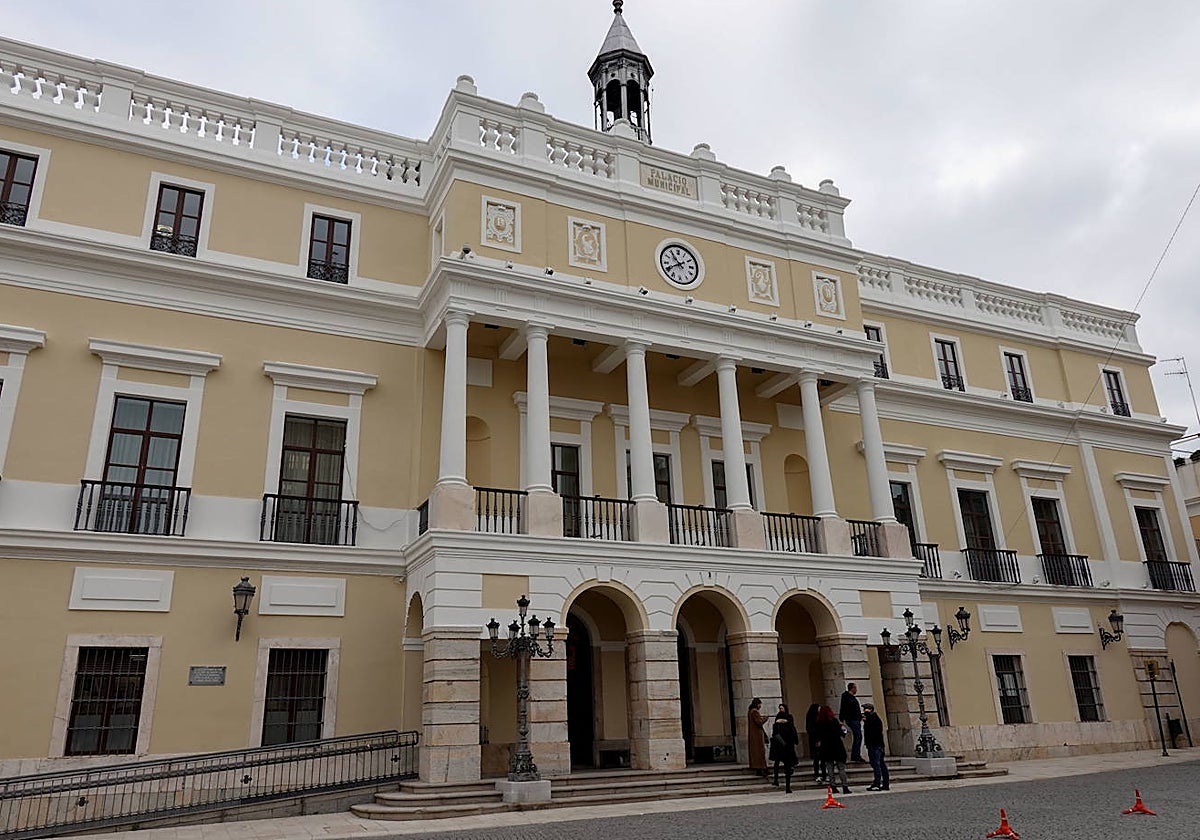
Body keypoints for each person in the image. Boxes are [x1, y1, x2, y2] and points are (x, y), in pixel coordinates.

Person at [816, 704, 851, 794]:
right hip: (837, 745)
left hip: (826, 747)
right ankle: (845, 786)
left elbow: (818, 735)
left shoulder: (820, 722)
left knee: (830, 768)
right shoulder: (834, 721)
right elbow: (841, 733)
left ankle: (833, 786)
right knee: (841, 768)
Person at [769, 709, 800, 792]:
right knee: (788, 768)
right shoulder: (789, 725)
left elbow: (774, 735)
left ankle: (776, 780)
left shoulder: (776, 725)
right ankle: (787, 787)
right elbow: (794, 735)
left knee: (777, 764)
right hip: (788, 749)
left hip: (778, 748)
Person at [862, 702, 890, 791]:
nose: (864, 712)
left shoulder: (873, 718)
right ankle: (884, 783)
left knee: (876, 764)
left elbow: (871, 729)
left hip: (874, 745)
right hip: (877, 745)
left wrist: (866, 716)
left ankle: (877, 783)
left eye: (865, 710)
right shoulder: (874, 719)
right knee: (880, 764)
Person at [839, 682, 865, 763]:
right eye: (855, 688)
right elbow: (843, 708)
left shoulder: (851, 698)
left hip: (855, 719)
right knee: (858, 736)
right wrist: (841, 719)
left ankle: (856, 754)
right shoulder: (847, 697)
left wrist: (861, 717)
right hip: (852, 719)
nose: (856, 689)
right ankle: (855, 755)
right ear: (852, 688)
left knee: (858, 737)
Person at [747, 698, 769, 776]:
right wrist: (765, 718)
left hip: (754, 735)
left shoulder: (750, 711)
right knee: (759, 752)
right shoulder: (754, 712)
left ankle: (759, 769)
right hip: (757, 736)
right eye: (760, 704)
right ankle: (762, 768)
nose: (760, 706)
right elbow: (759, 722)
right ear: (757, 704)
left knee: (756, 752)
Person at [804, 702, 822, 783]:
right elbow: (811, 730)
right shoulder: (812, 719)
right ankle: (817, 774)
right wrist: (817, 740)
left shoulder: (818, 718)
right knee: (816, 758)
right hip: (815, 740)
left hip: (818, 739)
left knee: (821, 759)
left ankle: (822, 774)